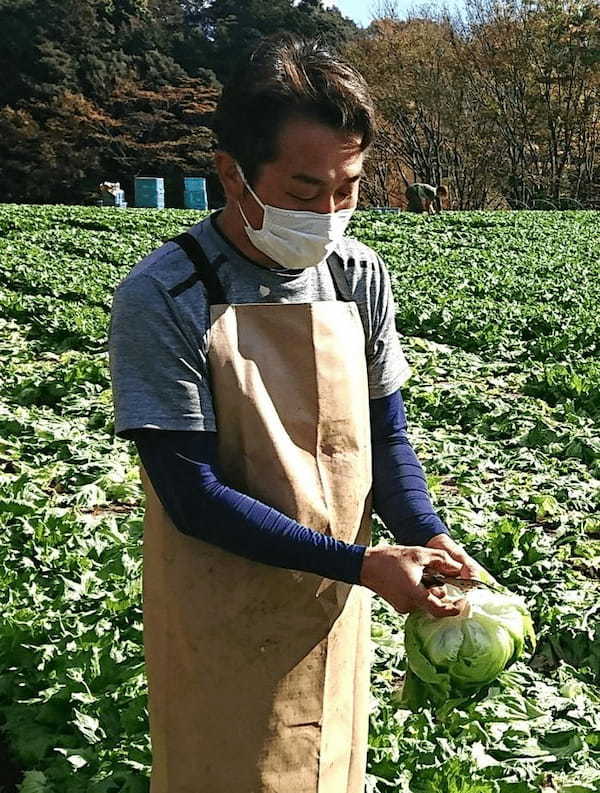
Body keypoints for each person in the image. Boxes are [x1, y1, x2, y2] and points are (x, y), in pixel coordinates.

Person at [108, 34, 487, 793]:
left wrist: (426, 533)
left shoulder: (358, 275)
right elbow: (192, 495)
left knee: (329, 767)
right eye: (304, 190)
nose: (330, 212)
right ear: (231, 174)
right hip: (223, 606)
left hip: (339, 601)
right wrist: (363, 563)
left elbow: (387, 436)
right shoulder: (164, 297)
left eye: (347, 187)